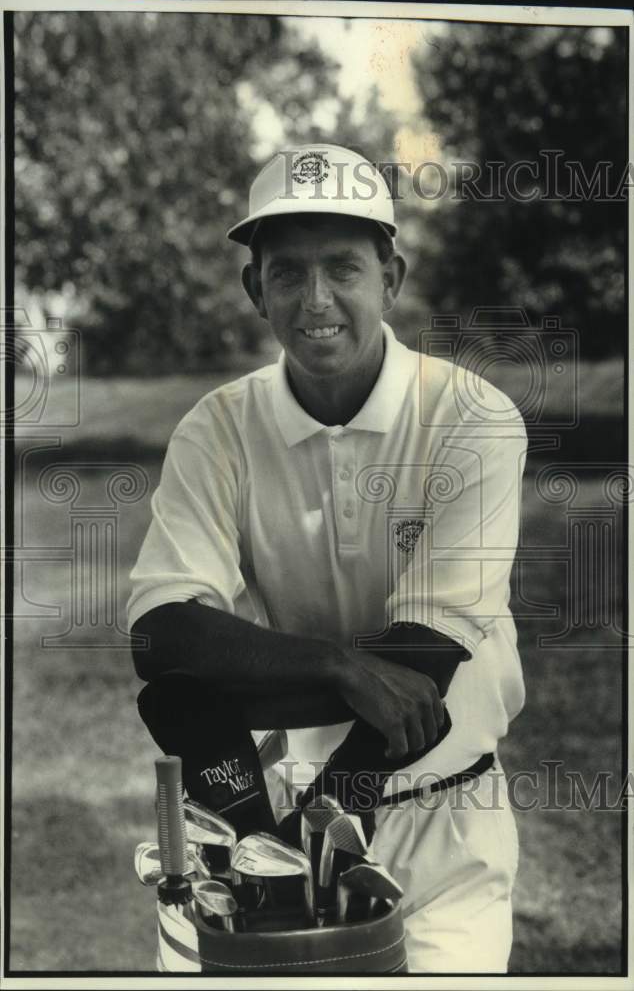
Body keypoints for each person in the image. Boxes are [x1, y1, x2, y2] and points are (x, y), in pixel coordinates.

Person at [127, 143, 528, 973]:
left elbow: (426, 661)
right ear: (254, 288)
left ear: (392, 276)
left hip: (442, 817)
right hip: (281, 810)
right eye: (287, 273)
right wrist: (343, 670)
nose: (317, 301)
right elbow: (161, 637)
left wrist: (315, 834)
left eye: (343, 267)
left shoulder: (472, 418)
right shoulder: (218, 428)